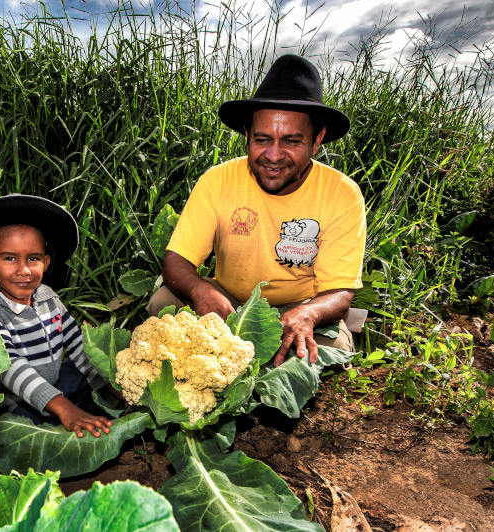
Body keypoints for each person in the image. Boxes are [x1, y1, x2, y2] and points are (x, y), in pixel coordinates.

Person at [147, 54, 366, 367]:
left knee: (331, 349)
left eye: (291, 140)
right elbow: (176, 261)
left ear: (316, 141)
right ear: (247, 135)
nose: (273, 155)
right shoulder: (217, 180)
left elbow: (340, 293)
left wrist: (308, 313)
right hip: (231, 300)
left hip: (296, 306)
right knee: (163, 303)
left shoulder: (342, 194)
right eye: (262, 139)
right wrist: (200, 290)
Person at [0, 194, 113, 438]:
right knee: (23, 432)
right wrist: (65, 408)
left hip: (55, 382)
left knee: (89, 378)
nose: (23, 270)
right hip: (14, 401)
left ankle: (94, 410)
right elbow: (10, 368)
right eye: (10, 258)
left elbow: (78, 346)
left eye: (33, 258)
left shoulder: (49, 298)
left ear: (46, 262)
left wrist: (111, 386)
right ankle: (65, 416)